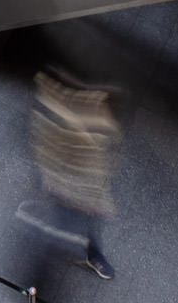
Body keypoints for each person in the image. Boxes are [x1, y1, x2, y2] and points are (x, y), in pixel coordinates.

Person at [27, 67, 120, 285]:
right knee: (60, 225)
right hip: (64, 183)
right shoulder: (60, 115)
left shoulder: (98, 116)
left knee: (87, 220)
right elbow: (46, 148)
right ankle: (39, 276)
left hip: (84, 184)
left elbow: (104, 156)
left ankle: (92, 255)